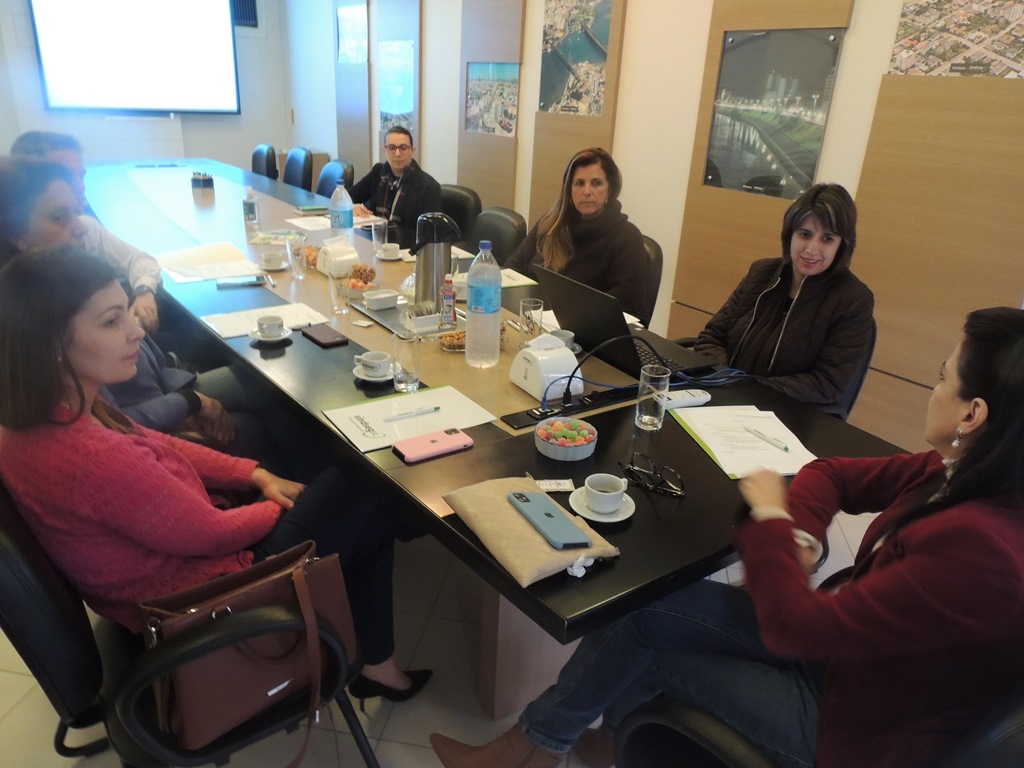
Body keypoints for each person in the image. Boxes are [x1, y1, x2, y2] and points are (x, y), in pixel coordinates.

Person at [430, 306, 1024, 768]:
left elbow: (794, 625)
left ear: (972, 415)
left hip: (850, 725)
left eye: (942, 378)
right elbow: (832, 474)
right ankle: (571, 741)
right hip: (840, 659)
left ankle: (536, 747)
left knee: (646, 640)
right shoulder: (958, 473)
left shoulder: (980, 551)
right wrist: (803, 535)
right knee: (645, 609)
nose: (934, 388)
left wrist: (772, 524)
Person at [0, 246, 431, 703]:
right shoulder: (90, 456)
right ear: (51, 344)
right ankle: (380, 636)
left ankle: (376, 660)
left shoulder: (45, 415)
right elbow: (213, 534)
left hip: (149, 588)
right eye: (111, 322)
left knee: (355, 505)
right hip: (207, 596)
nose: (135, 330)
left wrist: (254, 474)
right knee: (369, 476)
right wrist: (278, 504)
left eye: (126, 311)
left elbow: (156, 442)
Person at [0, 156, 288, 473]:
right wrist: (189, 403)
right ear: (16, 235)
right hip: (156, 436)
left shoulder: (59, 285)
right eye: (59, 217)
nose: (80, 227)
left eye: (75, 211)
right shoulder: (43, 321)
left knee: (269, 389)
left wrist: (182, 399)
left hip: (162, 395)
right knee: (275, 408)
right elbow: (113, 423)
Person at [694, 183, 874, 405]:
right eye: (805, 234)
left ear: (841, 245)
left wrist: (750, 391)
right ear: (790, 235)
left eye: (827, 238)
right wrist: (726, 380)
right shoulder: (761, 274)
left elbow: (827, 382)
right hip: (724, 397)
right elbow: (711, 338)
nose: (811, 249)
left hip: (783, 412)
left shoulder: (853, 300)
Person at [10, 133, 162, 332]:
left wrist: (143, 292)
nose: (80, 186)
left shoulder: (85, 228)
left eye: (81, 175)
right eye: (65, 176)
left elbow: (139, 260)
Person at [506, 147, 652, 326]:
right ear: (569, 189)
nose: (587, 191)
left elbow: (625, 308)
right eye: (579, 183)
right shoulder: (551, 223)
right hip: (532, 323)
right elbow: (512, 268)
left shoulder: (626, 237)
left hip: (588, 333)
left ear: (610, 189)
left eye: (596, 183)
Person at [349, 125, 442, 249]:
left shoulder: (428, 187)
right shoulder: (378, 173)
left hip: (407, 250)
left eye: (403, 148)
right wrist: (351, 206)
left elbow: (429, 236)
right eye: (392, 148)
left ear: (412, 150)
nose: (397, 153)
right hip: (375, 243)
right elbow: (348, 196)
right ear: (385, 150)